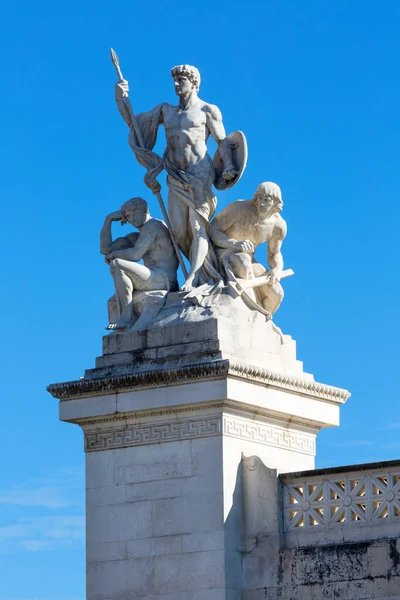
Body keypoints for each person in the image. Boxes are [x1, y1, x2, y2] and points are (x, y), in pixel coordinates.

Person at [115, 64, 237, 291]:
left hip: (199, 173)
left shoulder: (208, 110)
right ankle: (203, 271)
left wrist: (229, 165)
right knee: (179, 230)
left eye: (181, 80)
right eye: (175, 80)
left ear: (194, 83)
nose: (176, 84)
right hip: (174, 173)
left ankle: (192, 278)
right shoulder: (165, 111)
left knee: (197, 226)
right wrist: (120, 98)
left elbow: (223, 142)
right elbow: (135, 124)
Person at [100, 197, 178, 331]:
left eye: (134, 213)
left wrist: (114, 255)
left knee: (118, 264)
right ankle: (126, 319)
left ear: (145, 210)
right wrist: (109, 219)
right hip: (153, 277)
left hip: (164, 278)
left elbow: (135, 255)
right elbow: (105, 250)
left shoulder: (154, 225)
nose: (131, 218)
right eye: (128, 215)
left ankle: (127, 318)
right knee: (116, 271)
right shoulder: (136, 237)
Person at [210, 182, 287, 316]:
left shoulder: (278, 226)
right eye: (259, 198)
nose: (262, 203)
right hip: (223, 253)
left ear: (275, 202)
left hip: (248, 259)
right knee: (244, 263)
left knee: (277, 294)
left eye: (267, 200)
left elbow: (274, 254)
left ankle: (259, 321)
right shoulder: (239, 208)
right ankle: (244, 313)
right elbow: (212, 230)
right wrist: (234, 243)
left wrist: (277, 269)